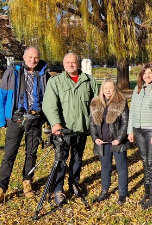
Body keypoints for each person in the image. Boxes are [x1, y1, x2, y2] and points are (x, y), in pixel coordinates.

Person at [0, 47, 50, 209]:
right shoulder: (12, 72)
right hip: (16, 119)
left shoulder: (45, 74)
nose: (33, 60)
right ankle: (1, 189)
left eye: (36, 58)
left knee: (31, 154)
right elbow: (1, 95)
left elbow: (49, 99)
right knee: (9, 155)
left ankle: (27, 183)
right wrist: (2, 120)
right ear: (24, 57)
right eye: (30, 57)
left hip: (35, 119)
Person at [42, 53, 98, 205]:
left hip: (81, 128)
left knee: (77, 159)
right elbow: (49, 104)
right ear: (63, 64)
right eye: (68, 62)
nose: (71, 65)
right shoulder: (56, 81)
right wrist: (55, 123)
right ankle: (58, 189)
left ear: (78, 64)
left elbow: (97, 104)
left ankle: (75, 184)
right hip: (63, 130)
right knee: (61, 159)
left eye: (73, 62)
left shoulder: (89, 81)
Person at [127, 63, 152, 209]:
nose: (147, 75)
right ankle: (147, 191)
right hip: (138, 130)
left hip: (151, 131)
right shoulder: (137, 90)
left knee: (151, 162)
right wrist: (130, 130)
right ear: (141, 75)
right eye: (145, 73)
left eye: (150, 73)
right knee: (144, 161)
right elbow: (131, 112)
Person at [90, 78, 129, 205]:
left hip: (117, 142)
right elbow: (92, 124)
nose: (108, 90)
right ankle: (104, 191)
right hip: (103, 143)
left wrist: (119, 139)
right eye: (105, 88)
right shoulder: (96, 103)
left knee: (121, 167)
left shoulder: (121, 102)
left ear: (114, 89)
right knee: (105, 168)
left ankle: (123, 193)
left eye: (110, 88)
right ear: (102, 89)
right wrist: (95, 138)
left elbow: (125, 123)